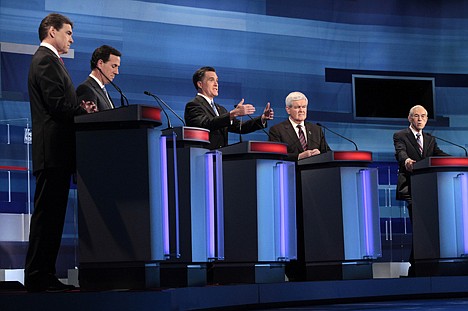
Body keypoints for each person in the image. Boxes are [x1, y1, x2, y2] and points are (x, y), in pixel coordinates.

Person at [25, 13, 97, 292]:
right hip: (52, 151)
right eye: (67, 32)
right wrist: (80, 109)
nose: (71, 38)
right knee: (47, 217)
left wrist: (80, 109)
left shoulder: (51, 60)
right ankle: (38, 275)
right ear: (51, 31)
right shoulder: (45, 59)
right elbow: (56, 105)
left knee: (52, 217)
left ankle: (43, 273)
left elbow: (61, 103)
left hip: (57, 153)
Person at [393, 104, 449, 276]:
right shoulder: (400, 135)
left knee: (426, 227)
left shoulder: (430, 139)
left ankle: (418, 264)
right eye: (416, 116)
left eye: (423, 116)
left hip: (429, 190)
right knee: (418, 226)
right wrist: (407, 161)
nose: (420, 119)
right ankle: (416, 264)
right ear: (410, 118)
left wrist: (458, 159)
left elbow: (439, 155)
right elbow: (400, 153)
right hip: (411, 187)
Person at [184, 66, 274, 150]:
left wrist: (262, 119)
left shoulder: (220, 109)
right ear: (200, 84)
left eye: (217, 80)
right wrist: (233, 114)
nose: (216, 84)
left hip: (222, 157)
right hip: (204, 156)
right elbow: (205, 124)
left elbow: (240, 127)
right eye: (211, 80)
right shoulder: (193, 105)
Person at [269, 91, 330, 161]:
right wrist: (299, 156)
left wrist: (320, 154)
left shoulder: (316, 129)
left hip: (315, 170)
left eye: (304, 107)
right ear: (288, 109)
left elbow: (327, 152)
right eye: (297, 107)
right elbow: (276, 155)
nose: (301, 110)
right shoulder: (277, 130)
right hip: (291, 170)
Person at [76, 45, 121, 111]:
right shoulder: (86, 89)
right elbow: (90, 119)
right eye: (114, 66)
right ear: (100, 63)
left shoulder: (101, 89)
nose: (117, 72)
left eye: (118, 67)